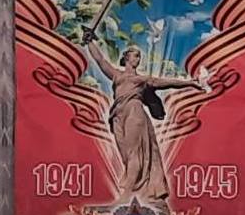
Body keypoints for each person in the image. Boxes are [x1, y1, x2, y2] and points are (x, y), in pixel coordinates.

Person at [84, 33, 202, 201]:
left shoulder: (142, 79)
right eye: (136, 55)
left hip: (134, 112)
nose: (138, 59)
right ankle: (136, 190)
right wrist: (90, 42)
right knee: (126, 155)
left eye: (139, 56)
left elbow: (166, 82)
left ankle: (125, 196)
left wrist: (189, 83)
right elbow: (100, 60)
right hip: (117, 115)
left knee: (134, 153)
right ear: (126, 57)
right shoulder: (117, 75)